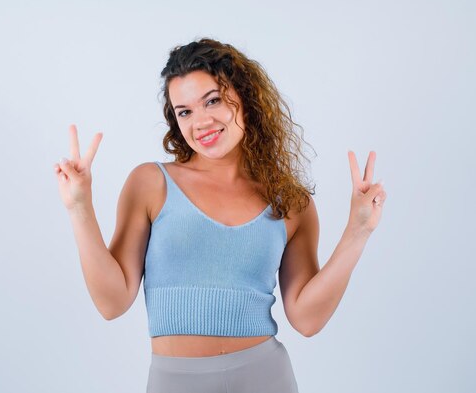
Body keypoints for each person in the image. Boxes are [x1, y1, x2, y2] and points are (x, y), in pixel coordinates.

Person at [54, 38, 387, 393]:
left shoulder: (291, 202)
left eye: (212, 101)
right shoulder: (151, 184)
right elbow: (111, 302)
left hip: (266, 377)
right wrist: (79, 207)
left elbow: (306, 319)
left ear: (245, 98)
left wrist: (358, 230)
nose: (201, 122)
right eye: (185, 111)